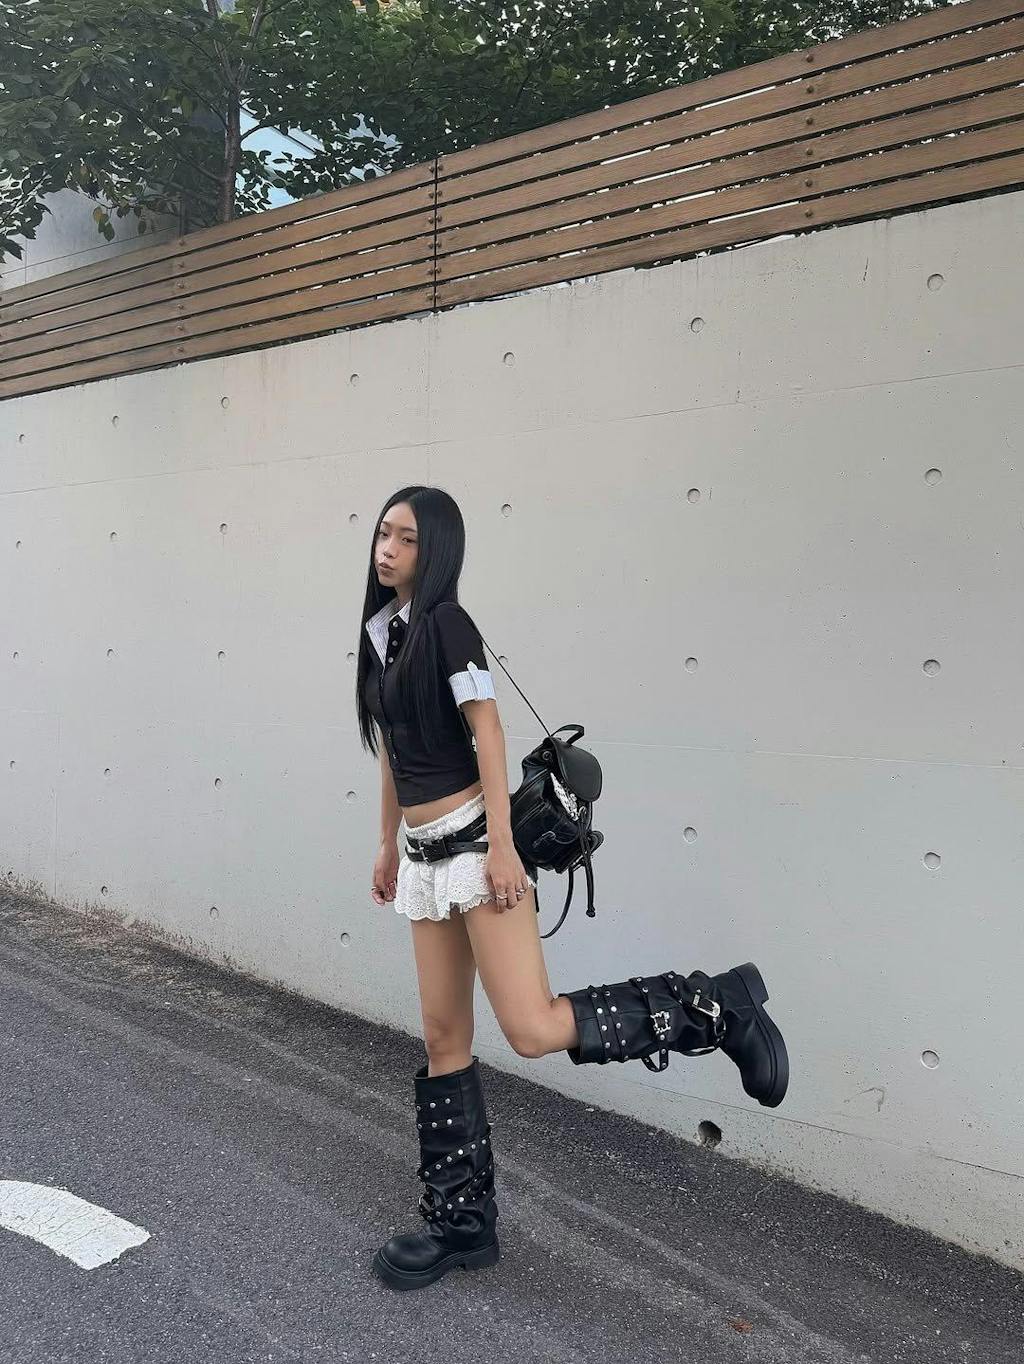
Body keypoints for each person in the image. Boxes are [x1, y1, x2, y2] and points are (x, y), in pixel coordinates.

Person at [358, 485, 789, 1292]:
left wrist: (502, 847)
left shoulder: (448, 624)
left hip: (476, 848)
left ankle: (715, 1007)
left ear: (436, 548)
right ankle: (461, 1227)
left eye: (406, 538)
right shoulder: (387, 632)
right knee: (443, 1036)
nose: (388, 549)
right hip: (423, 857)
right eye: (383, 533)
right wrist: (387, 842)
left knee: (529, 1026)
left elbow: (488, 730)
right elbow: (394, 745)